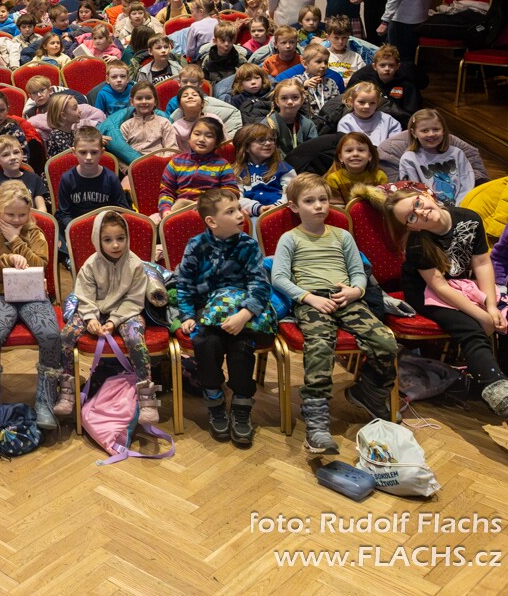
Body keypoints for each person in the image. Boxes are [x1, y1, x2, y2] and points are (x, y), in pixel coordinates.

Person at [370, 188, 508, 424]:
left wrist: (491, 307)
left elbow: (482, 263)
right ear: (411, 227)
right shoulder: (417, 243)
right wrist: (481, 315)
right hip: (426, 292)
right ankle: (502, 397)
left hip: (461, 284)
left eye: (417, 204)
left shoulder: (469, 218)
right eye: (411, 217)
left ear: (426, 196)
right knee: (472, 329)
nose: (420, 213)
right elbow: (439, 286)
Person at [271, 174, 397, 454]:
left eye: (323, 200)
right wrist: (308, 298)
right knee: (320, 345)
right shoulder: (290, 238)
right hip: (312, 300)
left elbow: (358, 272)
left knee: (385, 341)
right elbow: (278, 277)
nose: (318, 206)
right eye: (309, 201)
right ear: (294, 207)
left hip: (346, 298)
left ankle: (370, 391)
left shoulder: (342, 236)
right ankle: (316, 421)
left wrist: (356, 291)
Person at [174, 188, 274, 448]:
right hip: (205, 309)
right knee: (205, 343)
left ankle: (241, 404)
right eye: (230, 211)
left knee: (241, 346)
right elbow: (184, 284)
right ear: (212, 221)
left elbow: (259, 284)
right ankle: (215, 400)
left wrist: (245, 314)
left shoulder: (248, 245)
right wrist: (186, 315)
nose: (240, 214)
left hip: (241, 309)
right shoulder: (197, 245)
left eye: (238, 208)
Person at [55, 209, 160, 424]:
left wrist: (114, 321)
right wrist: (91, 318)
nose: (115, 245)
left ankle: (146, 396)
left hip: (126, 311)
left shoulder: (135, 264)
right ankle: (66, 388)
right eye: (108, 240)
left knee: (135, 339)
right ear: (97, 240)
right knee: (66, 335)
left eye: (120, 238)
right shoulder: (90, 265)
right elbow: (84, 296)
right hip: (93, 310)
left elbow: (134, 300)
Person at [0, 181, 59, 429]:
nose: (16, 220)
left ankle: (45, 400)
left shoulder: (35, 234)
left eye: (22, 215)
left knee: (51, 334)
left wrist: (16, 241)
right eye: (10, 215)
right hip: (0, 297)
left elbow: (40, 265)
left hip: (33, 296)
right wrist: (5, 259)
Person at [155, 116, 237, 220]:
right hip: (180, 209)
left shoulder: (222, 165)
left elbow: (231, 192)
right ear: (189, 138)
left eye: (209, 136)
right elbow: (167, 191)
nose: (201, 139)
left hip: (211, 211)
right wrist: (166, 209)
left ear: (217, 142)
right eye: (197, 134)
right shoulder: (176, 162)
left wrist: (209, 204)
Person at [399, 108, 473, 206]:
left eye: (436, 129)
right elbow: (413, 191)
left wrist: (459, 208)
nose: (431, 134)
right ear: (414, 133)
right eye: (425, 131)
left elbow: (467, 185)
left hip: (461, 207)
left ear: (443, 130)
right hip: (429, 208)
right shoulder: (409, 159)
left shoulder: (457, 153)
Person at [231, 124, 293, 217]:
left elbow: (292, 192)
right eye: (261, 140)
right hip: (252, 214)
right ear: (246, 147)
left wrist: (277, 207)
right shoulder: (237, 171)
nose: (268, 143)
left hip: (282, 212)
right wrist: (258, 208)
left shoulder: (284, 168)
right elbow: (236, 198)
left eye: (271, 139)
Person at [0, 137, 48, 214]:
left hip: (29, 219)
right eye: (6, 155)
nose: (13, 157)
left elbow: (42, 209)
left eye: (16, 152)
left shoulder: (34, 178)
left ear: (22, 154)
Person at [325, 131, 386, 207]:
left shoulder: (379, 176)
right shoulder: (334, 179)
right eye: (349, 151)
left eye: (361, 150)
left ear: (369, 156)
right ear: (340, 157)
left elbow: (385, 204)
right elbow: (337, 209)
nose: (355, 154)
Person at [119, 82, 178, 160]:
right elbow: (122, 153)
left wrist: (161, 164)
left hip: (160, 163)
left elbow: (171, 149)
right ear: (132, 102)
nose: (144, 102)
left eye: (148, 98)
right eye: (139, 98)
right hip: (134, 164)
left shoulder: (164, 123)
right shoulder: (126, 126)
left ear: (155, 101)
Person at [265, 78, 318, 159]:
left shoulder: (308, 125)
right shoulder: (268, 124)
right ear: (277, 101)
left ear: (302, 100)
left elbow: (314, 150)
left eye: (295, 97)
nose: (290, 102)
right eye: (284, 98)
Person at [337, 81, 401, 145]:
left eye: (372, 103)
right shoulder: (346, 123)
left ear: (377, 103)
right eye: (361, 102)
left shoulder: (387, 120)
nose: (367, 106)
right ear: (351, 101)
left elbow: (395, 144)